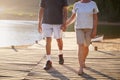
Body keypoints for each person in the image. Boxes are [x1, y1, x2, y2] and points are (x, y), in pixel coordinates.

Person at [62, 0, 99, 75]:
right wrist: (65, 24)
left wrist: (95, 30)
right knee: (80, 46)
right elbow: (73, 17)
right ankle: (81, 67)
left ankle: (83, 61)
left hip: (89, 28)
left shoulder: (93, 4)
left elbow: (95, 18)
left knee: (86, 46)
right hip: (79, 28)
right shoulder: (77, 4)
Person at [38, 0, 68, 70]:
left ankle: (60, 53)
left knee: (59, 40)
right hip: (46, 22)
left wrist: (64, 22)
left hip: (58, 22)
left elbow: (65, 10)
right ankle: (49, 60)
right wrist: (39, 23)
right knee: (48, 41)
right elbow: (41, 9)